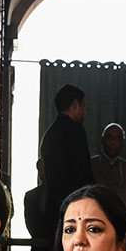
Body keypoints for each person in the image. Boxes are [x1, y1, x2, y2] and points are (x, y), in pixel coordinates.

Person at [40, 83, 93, 225]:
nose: (84, 112)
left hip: (54, 208)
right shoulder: (76, 131)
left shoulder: (50, 134)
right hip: (75, 207)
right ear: (76, 104)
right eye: (83, 106)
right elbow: (82, 172)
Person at [91, 121, 126, 236]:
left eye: (118, 138)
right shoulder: (90, 164)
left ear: (123, 143)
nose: (113, 142)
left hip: (120, 225)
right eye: (109, 137)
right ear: (102, 140)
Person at [24, 159, 55, 251]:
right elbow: (29, 222)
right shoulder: (31, 196)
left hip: (56, 248)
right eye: (41, 169)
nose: (44, 172)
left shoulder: (61, 195)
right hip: (38, 248)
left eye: (46, 168)